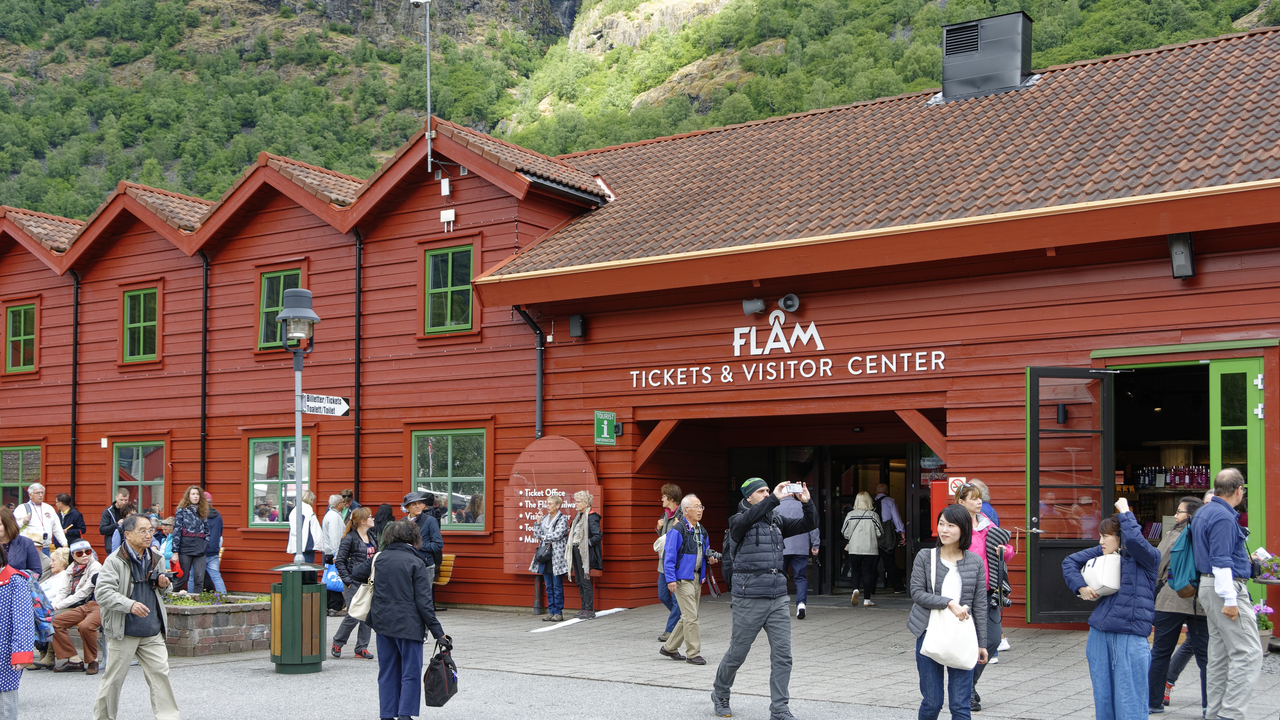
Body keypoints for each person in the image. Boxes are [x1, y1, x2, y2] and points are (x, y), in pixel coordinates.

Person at [712, 478, 818, 720]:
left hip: (777, 598)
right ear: (748, 497)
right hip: (748, 597)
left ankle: (779, 709)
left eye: (768, 490)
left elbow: (809, 523)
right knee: (738, 653)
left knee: (783, 656)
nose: (767, 494)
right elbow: (750, 518)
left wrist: (807, 503)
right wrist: (773, 499)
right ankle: (720, 693)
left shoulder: (776, 521)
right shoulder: (738, 521)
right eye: (761, 491)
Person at [1062, 498, 1160, 720]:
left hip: (1130, 636)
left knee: (1130, 700)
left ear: (1120, 536)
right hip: (1099, 632)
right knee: (1103, 699)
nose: (1101, 541)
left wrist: (1125, 512)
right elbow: (1069, 562)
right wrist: (1080, 586)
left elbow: (1134, 541)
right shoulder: (1104, 552)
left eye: (1105, 536)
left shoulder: (1149, 557)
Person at [351, 520, 449, 720]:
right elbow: (424, 603)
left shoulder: (379, 558)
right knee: (410, 673)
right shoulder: (416, 562)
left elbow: (357, 573)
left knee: (387, 671)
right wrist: (438, 633)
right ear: (413, 538)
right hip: (409, 625)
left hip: (382, 623)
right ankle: (405, 714)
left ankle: (387, 714)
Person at [1190, 468, 1262, 720]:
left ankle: (1215, 713)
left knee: (1219, 655)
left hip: (1208, 587)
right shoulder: (1223, 516)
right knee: (1249, 653)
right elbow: (1221, 561)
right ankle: (1230, 714)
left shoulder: (1204, 512)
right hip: (1225, 589)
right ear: (1239, 490)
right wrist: (1231, 600)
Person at [92, 513, 179, 720]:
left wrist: (164, 584)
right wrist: (129, 605)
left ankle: (168, 717)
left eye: (151, 530)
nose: (149, 535)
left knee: (160, 675)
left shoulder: (157, 558)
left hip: (151, 630)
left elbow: (164, 590)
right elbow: (102, 593)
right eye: (143, 531)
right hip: (124, 630)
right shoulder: (114, 561)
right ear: (128, 534)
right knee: (113, 680)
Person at [908, 504, 988, 720]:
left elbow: (980, 605)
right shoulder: (925, 557)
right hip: (929, 632)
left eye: (951, 525)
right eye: (941, 524)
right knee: (932, 702)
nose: (944, 530)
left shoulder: (975, 561)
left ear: (963, 529)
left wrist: (981, 643)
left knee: (960, 705)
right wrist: (948, 602)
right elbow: (917, 593)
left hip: (962, 635)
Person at [956, 482, 1014, 713]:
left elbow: (1006, 551)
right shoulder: (956, 527)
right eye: (974, 498)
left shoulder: (987, 524)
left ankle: (969, 683)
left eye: (980, 498)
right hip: (964, 592)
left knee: (992, 640)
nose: (979, 502)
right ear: (961, 502)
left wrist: (1005, 551)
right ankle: (966, 691)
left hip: (989, 592)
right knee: (968, 643)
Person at [1149, 496, 1208, 715]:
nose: (1175, 516)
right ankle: (1209, 706)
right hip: (1200, 602)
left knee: (1161, 653)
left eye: (1179, 512)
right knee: (1205, 657)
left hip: (1170, 600)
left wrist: (1153, 589)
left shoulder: (1174, 534)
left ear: (1189, 515)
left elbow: (1159, 563)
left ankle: (1153, 702)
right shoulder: (1207, 534)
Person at [660, 494, 718, 665]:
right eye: (696, 507)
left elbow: (706, 551)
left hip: (696, 577)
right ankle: (693, 653)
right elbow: (669, 556)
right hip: (682, 579)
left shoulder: (702, 530)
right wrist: (670, 579)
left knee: (688, 616)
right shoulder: (677, 530)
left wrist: (710, 558)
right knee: (691, 616)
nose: (700, 510)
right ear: (685, 511)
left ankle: (669, 647)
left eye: (701, 507)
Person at [50, 540, 102, 674]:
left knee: (86, 626)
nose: (84, 555)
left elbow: (83, 592)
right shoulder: (71, 569)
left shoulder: (96, 567)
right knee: (54, 622)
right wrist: (53, 606)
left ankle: (93, 661)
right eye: (79, 553)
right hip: (84, 606)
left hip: (99, 605)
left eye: (87, 551)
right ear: (73, 555)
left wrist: (58, 606)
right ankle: (74, 660)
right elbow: (63, 591)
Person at [332, 507, 376, 660]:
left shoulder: (372, 536)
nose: (373, 518)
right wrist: (348, 581)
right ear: (363, 521)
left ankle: (361, 648)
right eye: (370, 516)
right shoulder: (350, 538)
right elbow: (339, 561)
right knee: (354, 615)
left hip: (369, 582)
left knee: (367, 615)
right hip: (354, 581)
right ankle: (338, 642)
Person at [0, 543, 35, 718]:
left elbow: (23, 621)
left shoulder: (15, 580)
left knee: (6, 705)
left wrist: (21, 653)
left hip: (5, 652)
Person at [778, 493, 820, 619]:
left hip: (781, 547)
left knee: (780, 578)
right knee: (800, 577)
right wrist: (815, 544)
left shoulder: (775, 507)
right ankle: (801, 604)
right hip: (801, 547)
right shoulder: (803, 506)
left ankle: (781, 606)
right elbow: (813, 525)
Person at [529, 493, 568, 622]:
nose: (547, 506)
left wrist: (543, 537)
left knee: (557, 586)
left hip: (556, 557)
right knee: (549, 586)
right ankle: (551, 611)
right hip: (545, 556)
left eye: (550, 504)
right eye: (547, 504)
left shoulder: (562, 519)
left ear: (558, 505)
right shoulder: (545, 518)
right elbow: (536, 535)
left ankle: (558, 612)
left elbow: (558, 535)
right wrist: (538, 521)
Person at [842, 491, 883, 608]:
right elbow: (880, 532)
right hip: (870, 548)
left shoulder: (850, 515)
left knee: (855, 570)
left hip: (854, 548)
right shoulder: (873, 515)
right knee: (868, 572)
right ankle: (867, 599)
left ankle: (855, 589)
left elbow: (844, 532)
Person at [566, 490, 602, 620]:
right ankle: (584, 607)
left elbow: (598, 535)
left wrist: (586, 544)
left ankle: (589, 609)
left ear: (586, 503)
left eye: (578, 502)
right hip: (575, 550)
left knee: (585, 581)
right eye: (576, 501)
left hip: (584, 552)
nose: (576, 504)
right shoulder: (579, 516)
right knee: (579, 580)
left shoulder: (592, 517)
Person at [15, 484, 65, 577]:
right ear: (30, 494)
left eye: (42, 493)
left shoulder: (49, 508)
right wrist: (23, 521)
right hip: (28, 549)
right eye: (37, 493)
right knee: (28, 574)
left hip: (45, 547)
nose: (40, 495)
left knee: (45, 574)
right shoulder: (22, 508)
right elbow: (12, 528)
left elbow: (57, 528)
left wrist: (64, 543)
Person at [655, 483, 683, 642]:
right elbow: (664, 539)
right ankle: (685, 618)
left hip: (676, 563)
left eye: (664, 496)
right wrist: (658, 528)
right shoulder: (665, 515)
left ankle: (670, 630)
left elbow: (686, 537)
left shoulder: (682, 514)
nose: (662, 499)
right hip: (663, 562)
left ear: (671, 498)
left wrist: (679, 527)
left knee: (676, 599)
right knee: (663, 595)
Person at [172, 486, 209, 593]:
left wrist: (205, 544)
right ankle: (168, 598)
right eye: (193, 494)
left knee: (199, 579)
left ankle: (197, 602)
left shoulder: (203, 511)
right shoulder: (181, 511)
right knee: (181, 578)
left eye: (197, 494)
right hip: (185, 547)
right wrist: (175, 552)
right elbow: (176, 531)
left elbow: (207, 530)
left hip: (200, 548)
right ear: (188, 496)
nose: (195, 496)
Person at [874, 483, 906, 593]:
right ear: (887, 492)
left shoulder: (871, 502)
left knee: (873, 562)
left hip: (873, 535)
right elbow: (896, 518)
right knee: (890, 562)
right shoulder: (890, 501)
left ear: (876, 492)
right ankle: (897, 587)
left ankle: (870, 588)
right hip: (886, 535)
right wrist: (901, 531)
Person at [402, 492, 443, 572]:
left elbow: (438, 544)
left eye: (419, 503)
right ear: (407, 508)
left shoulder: (430, 521)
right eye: (414, 504)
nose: (418, 506)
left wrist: (418, 546)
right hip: (407, 565)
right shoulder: (402, 522)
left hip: (425, 565)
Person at [197, 493, 226, 593]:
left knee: (193, 577)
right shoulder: (218, 516)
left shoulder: (198, 515)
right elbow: (220, 533)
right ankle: (223, 597)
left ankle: (191, 598)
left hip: (199, 551)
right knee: (216, 576)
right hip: (213, 550)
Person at [322, 495, 346, 614]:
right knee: (335, 578)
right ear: (338, 504)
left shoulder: (330, 515)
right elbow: (335, 537)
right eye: (342, 502)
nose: (344, 503)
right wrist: (337, 554)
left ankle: (328, 605)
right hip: (333, 552)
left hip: (329, 551)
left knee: (330, 578)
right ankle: (335, 606)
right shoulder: (334, 517)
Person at [285, 490, 324, 563]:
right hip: (306, 546)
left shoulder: (294, 511)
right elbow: (313, 530)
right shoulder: (308, 512)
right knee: (307, 568)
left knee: (299, 568)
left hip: (296, 545)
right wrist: (318, 544)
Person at [0, 510, 40, 578]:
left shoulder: (26, 543)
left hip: (17, 584)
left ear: (8, 524)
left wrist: (16, 579)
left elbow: (36, 572)